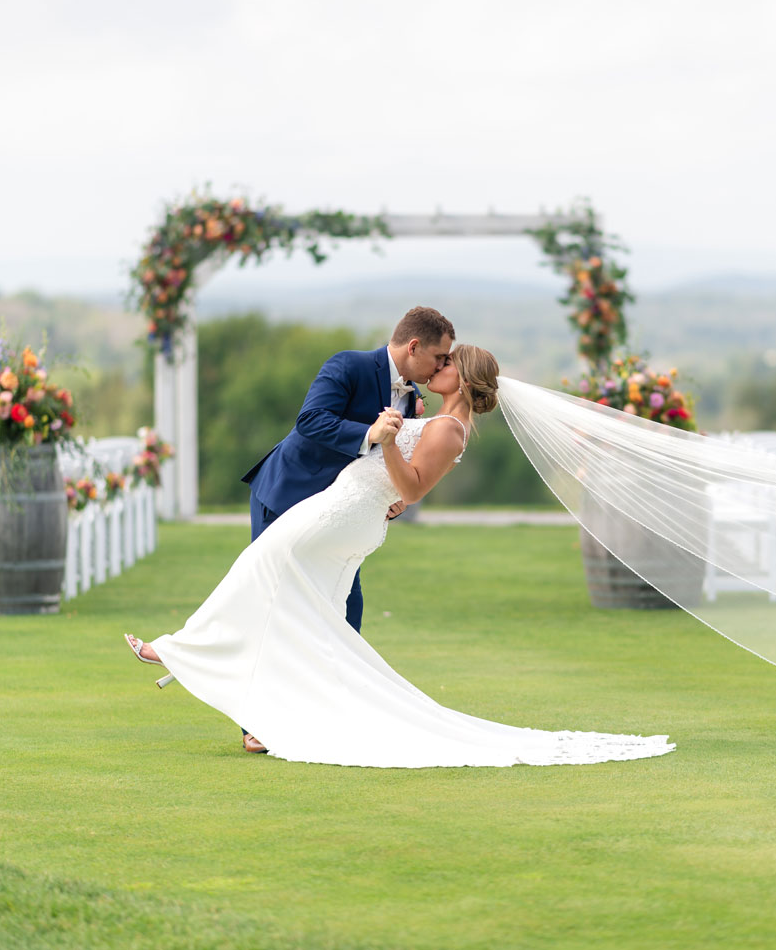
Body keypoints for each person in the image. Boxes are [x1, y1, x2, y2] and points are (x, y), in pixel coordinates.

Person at [125, 345, 674, 768]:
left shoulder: (450, 428)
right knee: (309, 610)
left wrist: (386, 437)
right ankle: (280, 708)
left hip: (340, 516)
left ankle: (175, 652)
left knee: (260, 569)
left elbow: (410, 488)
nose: (437, 367)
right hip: (344, 511)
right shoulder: (432, 416)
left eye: (447, 363)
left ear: (462, 378)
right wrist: (390, 445)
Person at [232, 305, 454, 752]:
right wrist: (371, 432)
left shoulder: (411, 397)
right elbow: (310, 422)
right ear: (414, 347)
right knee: (275, 602)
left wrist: (392, 501)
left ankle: (330, 710)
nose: (443, 366)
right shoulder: (348, 364)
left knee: (347, 607)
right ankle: (255, 723)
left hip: (340, 514)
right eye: (440, 357)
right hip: (287, 494)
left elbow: (391, 466)